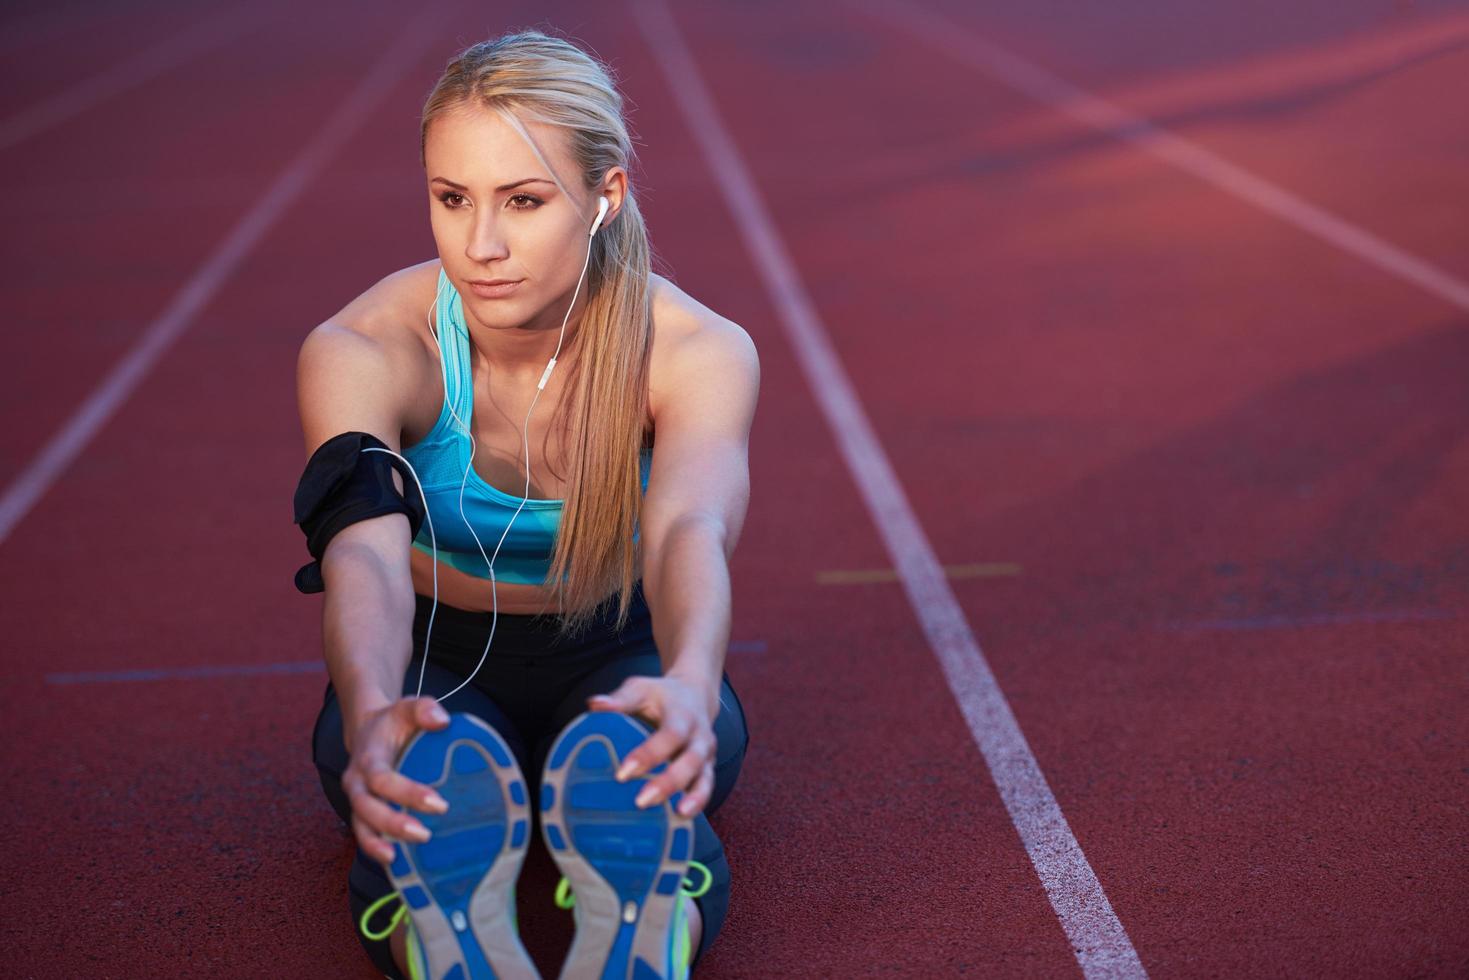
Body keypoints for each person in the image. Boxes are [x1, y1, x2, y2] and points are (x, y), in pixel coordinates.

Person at [294, 28, 759, 979]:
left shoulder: (693, 351)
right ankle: (433, 917)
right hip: (439, 654)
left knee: (650, 761)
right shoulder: (365, 349)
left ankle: (653, 918)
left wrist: (689, 682)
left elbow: (687, 529)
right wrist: (376, 705)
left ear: (604, 196)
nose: (482, 245)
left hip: (619, 644)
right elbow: (364, 556)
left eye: (525, 200)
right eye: (451, 198)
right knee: (405, 774)